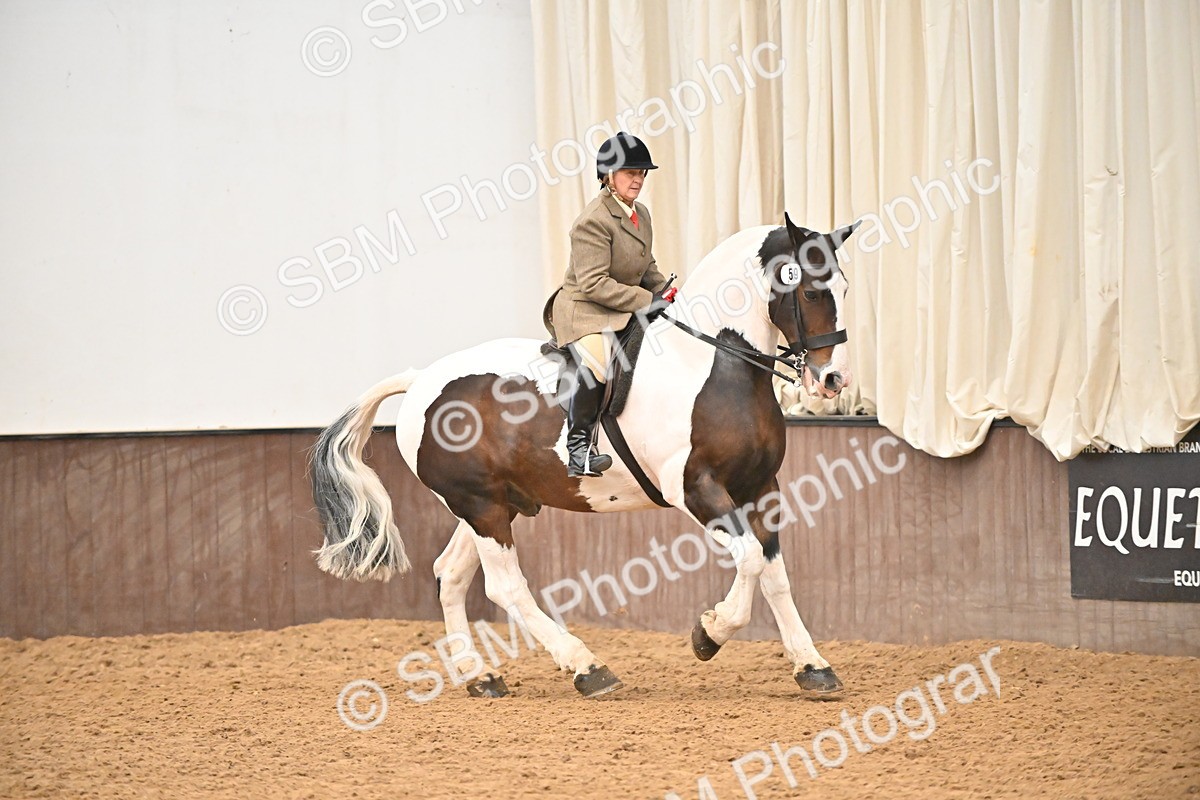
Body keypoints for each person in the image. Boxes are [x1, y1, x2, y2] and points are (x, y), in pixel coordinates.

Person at [544, 132, 672, 477]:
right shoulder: (592, 221)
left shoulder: (640, 214)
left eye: (642, 173)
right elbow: (594, 283)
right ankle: (579, 449)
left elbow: (647, 266)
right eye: (630, 173)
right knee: (599, 359)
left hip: (622, 304)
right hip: (586, 309)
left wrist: (672, 297)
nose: (638, 180)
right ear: (608, 176)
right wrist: (648, 300)